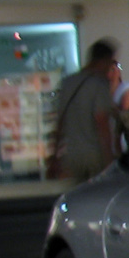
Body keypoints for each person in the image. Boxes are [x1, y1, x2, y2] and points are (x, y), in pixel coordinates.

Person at [50, 39, 120, 184]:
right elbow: (101, 122)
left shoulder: (67, 83)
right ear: (104, 60)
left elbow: (60, 123)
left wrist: (54, 156)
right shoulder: (99, 84)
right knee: (97, 199)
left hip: (71, 155)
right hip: (95, 156)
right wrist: (109, 161)